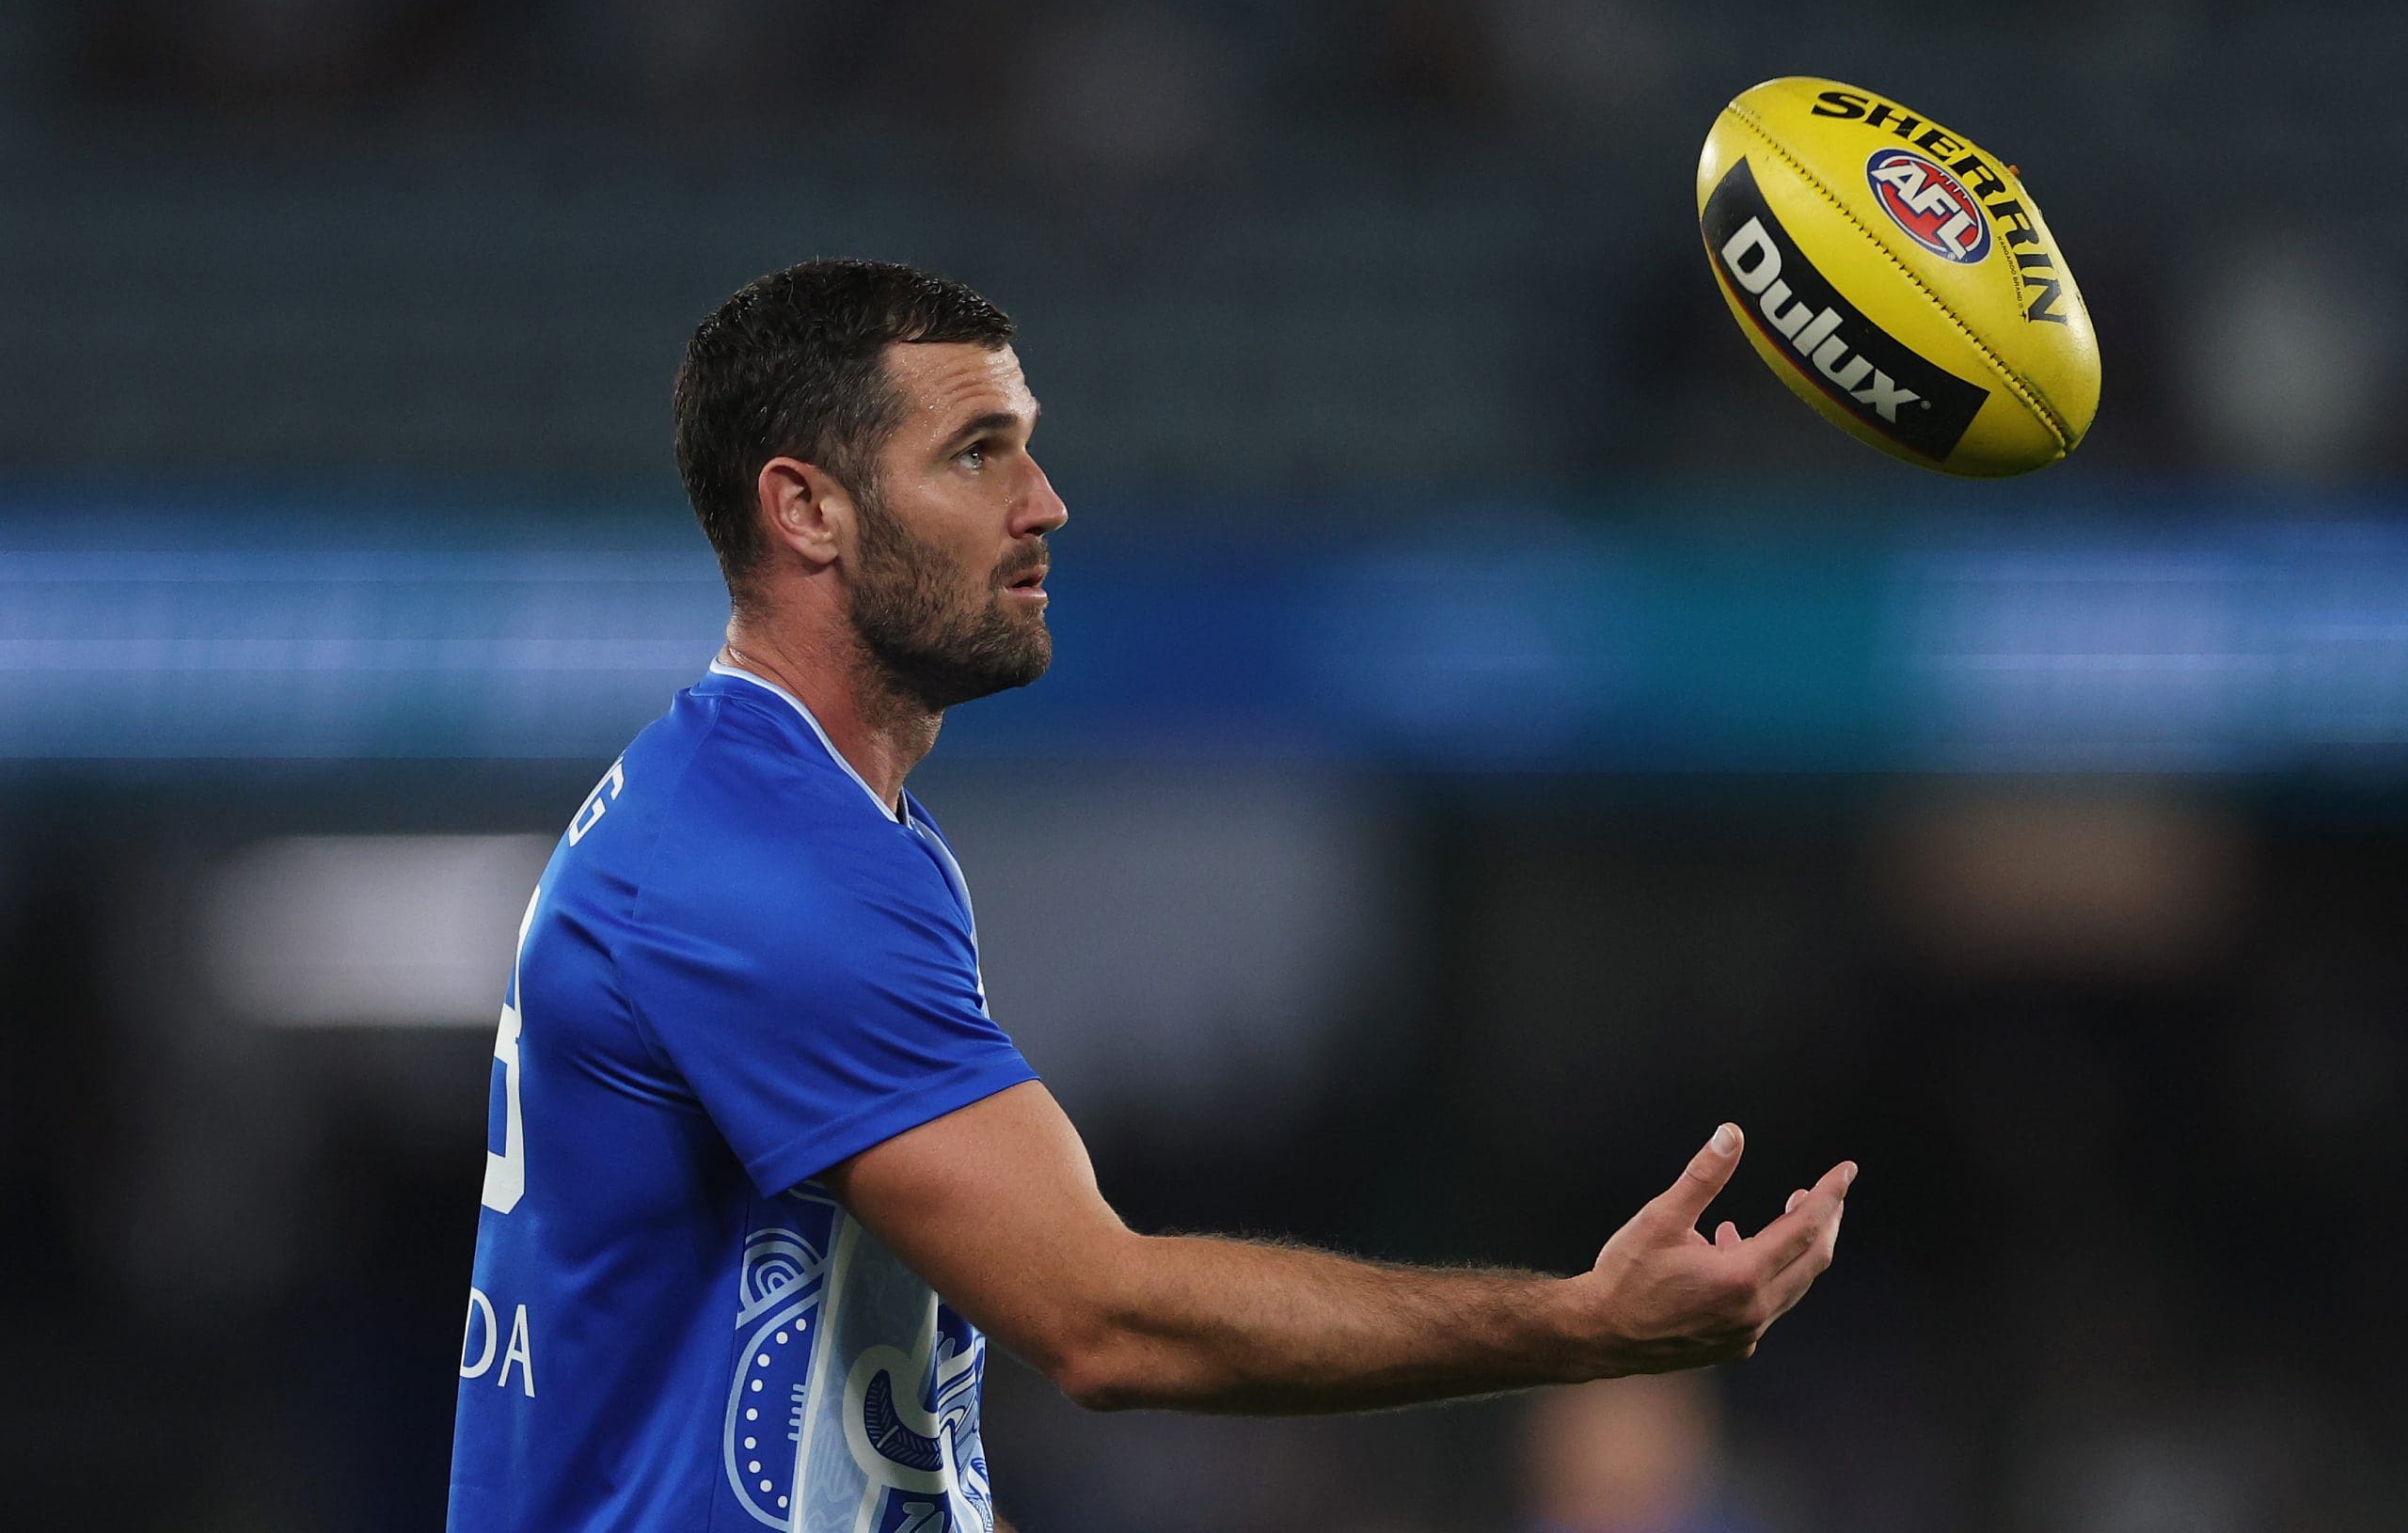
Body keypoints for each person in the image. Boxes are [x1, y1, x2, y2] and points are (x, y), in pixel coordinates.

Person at [445, 260, 1857, 1533]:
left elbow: (878, 1401)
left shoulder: (812, 825)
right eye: (977, 453)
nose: (1043, 501)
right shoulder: (753, 863)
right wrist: (1584, 1326)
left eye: (1027, 444)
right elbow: (1102, 1319)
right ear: (806, 509)